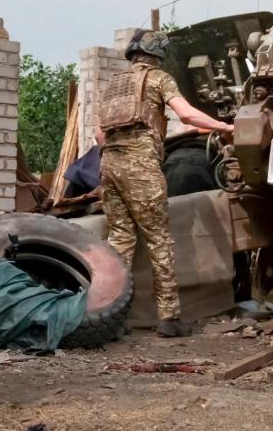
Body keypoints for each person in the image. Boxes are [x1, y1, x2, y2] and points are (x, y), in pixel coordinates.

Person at [94, 29, 234, 337]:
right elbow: (185, 115)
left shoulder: (114, 84)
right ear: (158, 54)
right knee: (159, 240)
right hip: (141, 167)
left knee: (120, 240)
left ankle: (113, 319)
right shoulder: (158, 79)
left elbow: (99, 134)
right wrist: (223, 127)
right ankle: (169, 319)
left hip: (109, 165)